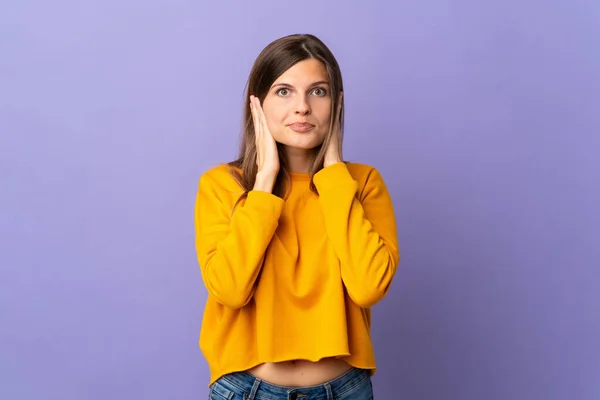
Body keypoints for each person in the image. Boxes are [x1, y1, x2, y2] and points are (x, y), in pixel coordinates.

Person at [194, 33, 399, 400]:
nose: (302, 107)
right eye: (284, 91)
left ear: (336, 104)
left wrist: (335, 176)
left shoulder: (362, 183)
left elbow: (369, 287)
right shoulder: (222, 185)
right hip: (247, 391)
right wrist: (264, 181)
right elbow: (230, 289)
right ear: (257, 105)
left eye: (317, 92)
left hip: (345, 389)